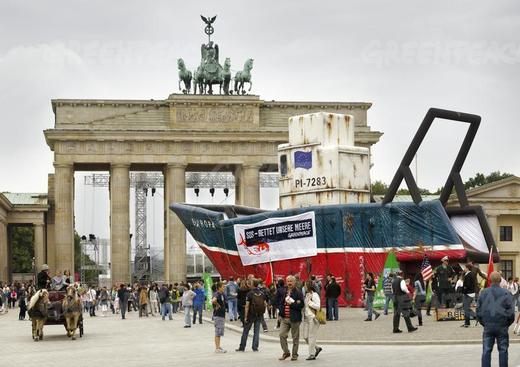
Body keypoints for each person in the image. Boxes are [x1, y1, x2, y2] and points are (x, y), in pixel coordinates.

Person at [477, 271, 515, 367]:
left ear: (490, 280)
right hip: (502, 325)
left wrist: (484, 323)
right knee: (503, 350)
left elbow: (478, 311)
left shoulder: (483, 293)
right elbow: (511, 313)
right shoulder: (506, 293)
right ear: (500, 280)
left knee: (486, 350)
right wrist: (507, 324)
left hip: (488, 325)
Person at [278, 275, 304, 361]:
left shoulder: (298, 292)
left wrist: (291, 303)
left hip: (295, 319)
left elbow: (301, 305)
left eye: (291, 281)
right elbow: (278, 301)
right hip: (284, 318)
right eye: (288, 281)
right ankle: (286, 352)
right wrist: (280, 309)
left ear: (294, 282)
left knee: (295, 337)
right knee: (282, 335)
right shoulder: (283, 291)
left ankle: (294, 354)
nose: (289, 283)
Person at [236, 278, 266, 352]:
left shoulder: (250, 293)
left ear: (252, 284)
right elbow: (265, 304)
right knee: (256, 331)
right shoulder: (262, 293)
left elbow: (247, 306)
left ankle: (242, 347)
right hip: (259, 314)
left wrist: (245, 316)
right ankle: (255, 347)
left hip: (250, 314)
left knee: (246, 331)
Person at [302, 280, 323, 360]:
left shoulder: (315, 295)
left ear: (308, 286)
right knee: (305, 337)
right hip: (306, 318)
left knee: (311, 336)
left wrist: (309, 302)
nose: (304, 287)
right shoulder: (307, 295)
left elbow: (318, 306)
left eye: (305, 285)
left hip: (313, 318)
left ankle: (312, 354)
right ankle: (317, 348)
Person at [211, 281, 227, 353]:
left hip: (221, 315)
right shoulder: (217, 294)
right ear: (219, 287)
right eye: (223, 287)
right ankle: (217, 348)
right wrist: (217, 305)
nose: (224, 288)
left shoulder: (222, 294)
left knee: (219, 332)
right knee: (218, 332)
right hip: (218, 315)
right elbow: (213, 300)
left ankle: (218, 346)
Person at [461, 263, 477, 328]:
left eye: (465, 268)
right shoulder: (469, 274)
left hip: (468, 293)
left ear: (467, 268)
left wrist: (463, 290)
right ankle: (467, 322)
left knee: (466, 308)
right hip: (469, 293)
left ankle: (476, 317)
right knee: (466, 308)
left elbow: (467, 286)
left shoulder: (469, 275)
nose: (464, 269)